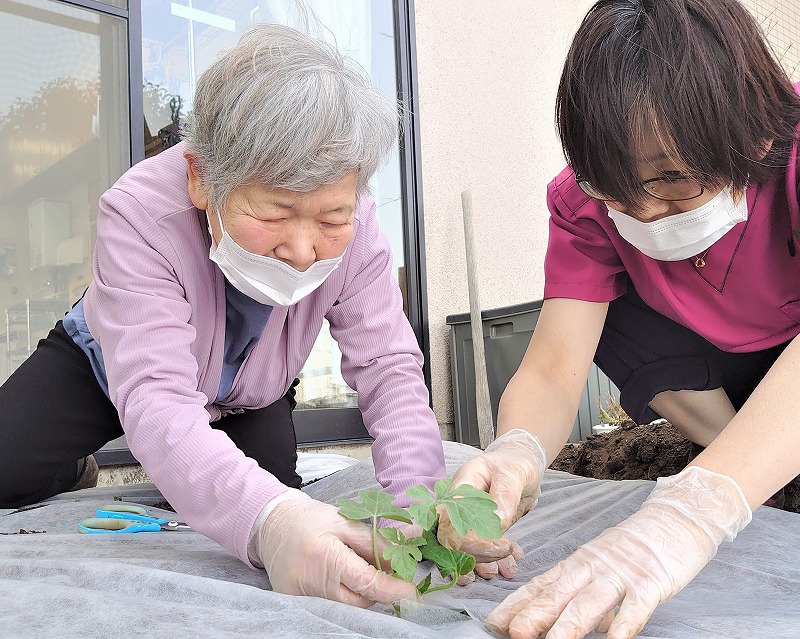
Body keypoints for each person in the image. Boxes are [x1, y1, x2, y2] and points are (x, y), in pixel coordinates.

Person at [0, 24, 447, 608]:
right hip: (107, 370)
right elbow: (156, 395)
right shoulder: (138, 213)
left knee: (272, 503)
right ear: (201, 178)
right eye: (276, 210)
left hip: (247, 395)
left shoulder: (359, 229)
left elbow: (388, 367)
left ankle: (185, 471)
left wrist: (421, 507)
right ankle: (74, 467)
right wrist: (269, 519)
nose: (305, 248)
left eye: (331, 217)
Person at [439, 1, 800, 637]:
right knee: (611, 313)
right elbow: (553, 366)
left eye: (674, 182)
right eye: (619, 191)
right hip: (728, 383)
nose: (647, 213)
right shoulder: (584, 205)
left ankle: (743, 473)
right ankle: (759, 473)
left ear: (755, 137)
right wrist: (516, 453)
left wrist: (689, 514)